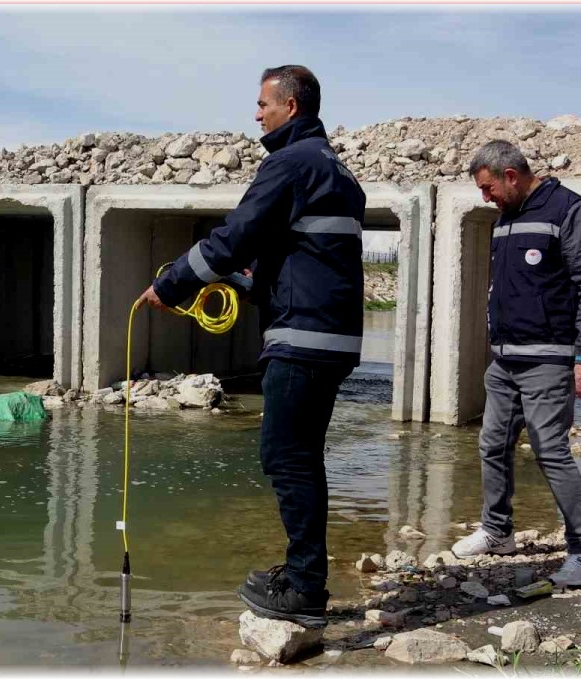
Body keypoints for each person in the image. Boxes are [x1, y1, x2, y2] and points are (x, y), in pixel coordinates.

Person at [138, 65, 365, 628]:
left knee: (287, 459)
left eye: (263, 103)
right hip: (329, 337)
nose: (256, 114)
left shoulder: (290, 162)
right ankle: (300, 571)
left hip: (302, 341)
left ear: (291, 106)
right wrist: (244, 280)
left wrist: (170, 285)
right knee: (300, 457)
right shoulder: (336, 170)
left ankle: (306, 590)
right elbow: (300, 261)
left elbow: (235, 235)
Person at [451, 140, 581, 588]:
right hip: (505, 360)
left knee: (551, 451)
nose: (484, 197)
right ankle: (498, 531)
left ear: (511, 175)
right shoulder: (507, 217)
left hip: (549, 358)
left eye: (488, 188)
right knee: (491, 445)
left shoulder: (569, 210)